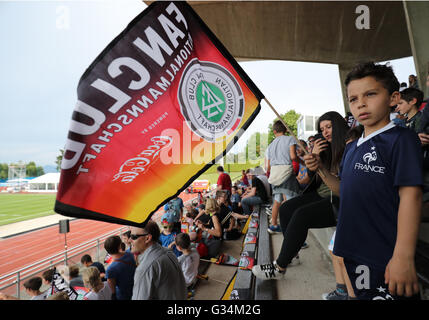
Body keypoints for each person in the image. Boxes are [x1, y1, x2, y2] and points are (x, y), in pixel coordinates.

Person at [329, 62, 422, 300]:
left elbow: (411, 195)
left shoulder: (401, 139)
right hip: (351, 249)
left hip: (383, 255)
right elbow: (344, 191)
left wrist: (403, 256)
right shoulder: (352, 147)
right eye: (353, 99)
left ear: (393, 98)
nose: (360, 103)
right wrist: (320, 169)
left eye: (370, 94)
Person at [252, 111, 350, 281]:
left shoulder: (349, 147)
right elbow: (314, 176)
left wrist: (316, 160)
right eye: (322, 129)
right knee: (286, 208)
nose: (326, 132)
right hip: (321, 194)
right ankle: (291, 252)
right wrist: (314, 157)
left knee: (300, 216)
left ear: (339, 126)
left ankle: (280, 267)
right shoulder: (326, 148)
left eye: (329, 127)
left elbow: (342, 187)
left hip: (339, 200)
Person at [131, 220, 187, 300]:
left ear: (147, 238)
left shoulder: (145, 269)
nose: (130, 240)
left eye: (133, 237)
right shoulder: (168, 252)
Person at [265, 120, 301, 233]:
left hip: (275, 175)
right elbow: (293, 156)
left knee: (277, 200)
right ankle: (292, 232)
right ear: (285, 129)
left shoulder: (270, 146)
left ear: (274, 131)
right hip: (286, 173)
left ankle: (274, 224)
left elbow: (268, 167)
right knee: (291, 203)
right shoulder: (290, 139)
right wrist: (302, 161)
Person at [104, 235, 136, 300]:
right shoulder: (131, 253)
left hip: (124, 296)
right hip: (137, 288)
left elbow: (112, 291)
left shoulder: (110, 269)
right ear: (120, 246)